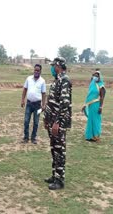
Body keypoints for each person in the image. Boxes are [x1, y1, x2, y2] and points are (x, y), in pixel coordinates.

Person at [44, 57, 72, 190]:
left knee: (60, 150)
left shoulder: (65, 80)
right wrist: (46, 119)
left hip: (59, 123)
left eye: (53, 65)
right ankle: (55, 175)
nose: (52, 68)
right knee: (54, 149)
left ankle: (60, 180)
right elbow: (52, 102)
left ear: (58, 66)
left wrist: (56, 122)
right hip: (52, 121)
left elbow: (64, 103)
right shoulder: (57, 80)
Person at [21, 64, 46, 144]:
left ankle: (33, 138)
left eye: (38, 70)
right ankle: (26, 137)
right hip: (29, 104)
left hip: (38, 105)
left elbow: (44, 94)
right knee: (26, 121)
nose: (36, 72)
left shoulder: (42, 81)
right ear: (33, 70)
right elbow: (25, 89)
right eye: (35, 70)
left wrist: (43, 105)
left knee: (36, 122)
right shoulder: (28, 79)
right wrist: (22, 100)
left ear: (40, 71)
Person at [82, 69, 105, 142]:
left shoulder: (101, 86)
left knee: (96, 120)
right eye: (94, 75)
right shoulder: (92, 84)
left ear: (100, 77)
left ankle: (96, 136)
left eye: (97, 75)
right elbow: (89, 95)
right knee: (90, 119)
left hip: (96, 105)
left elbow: (102, 97)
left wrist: (101, 107)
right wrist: (85, 104)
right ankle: (90, 136)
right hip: (90, 105)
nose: (95, 77)